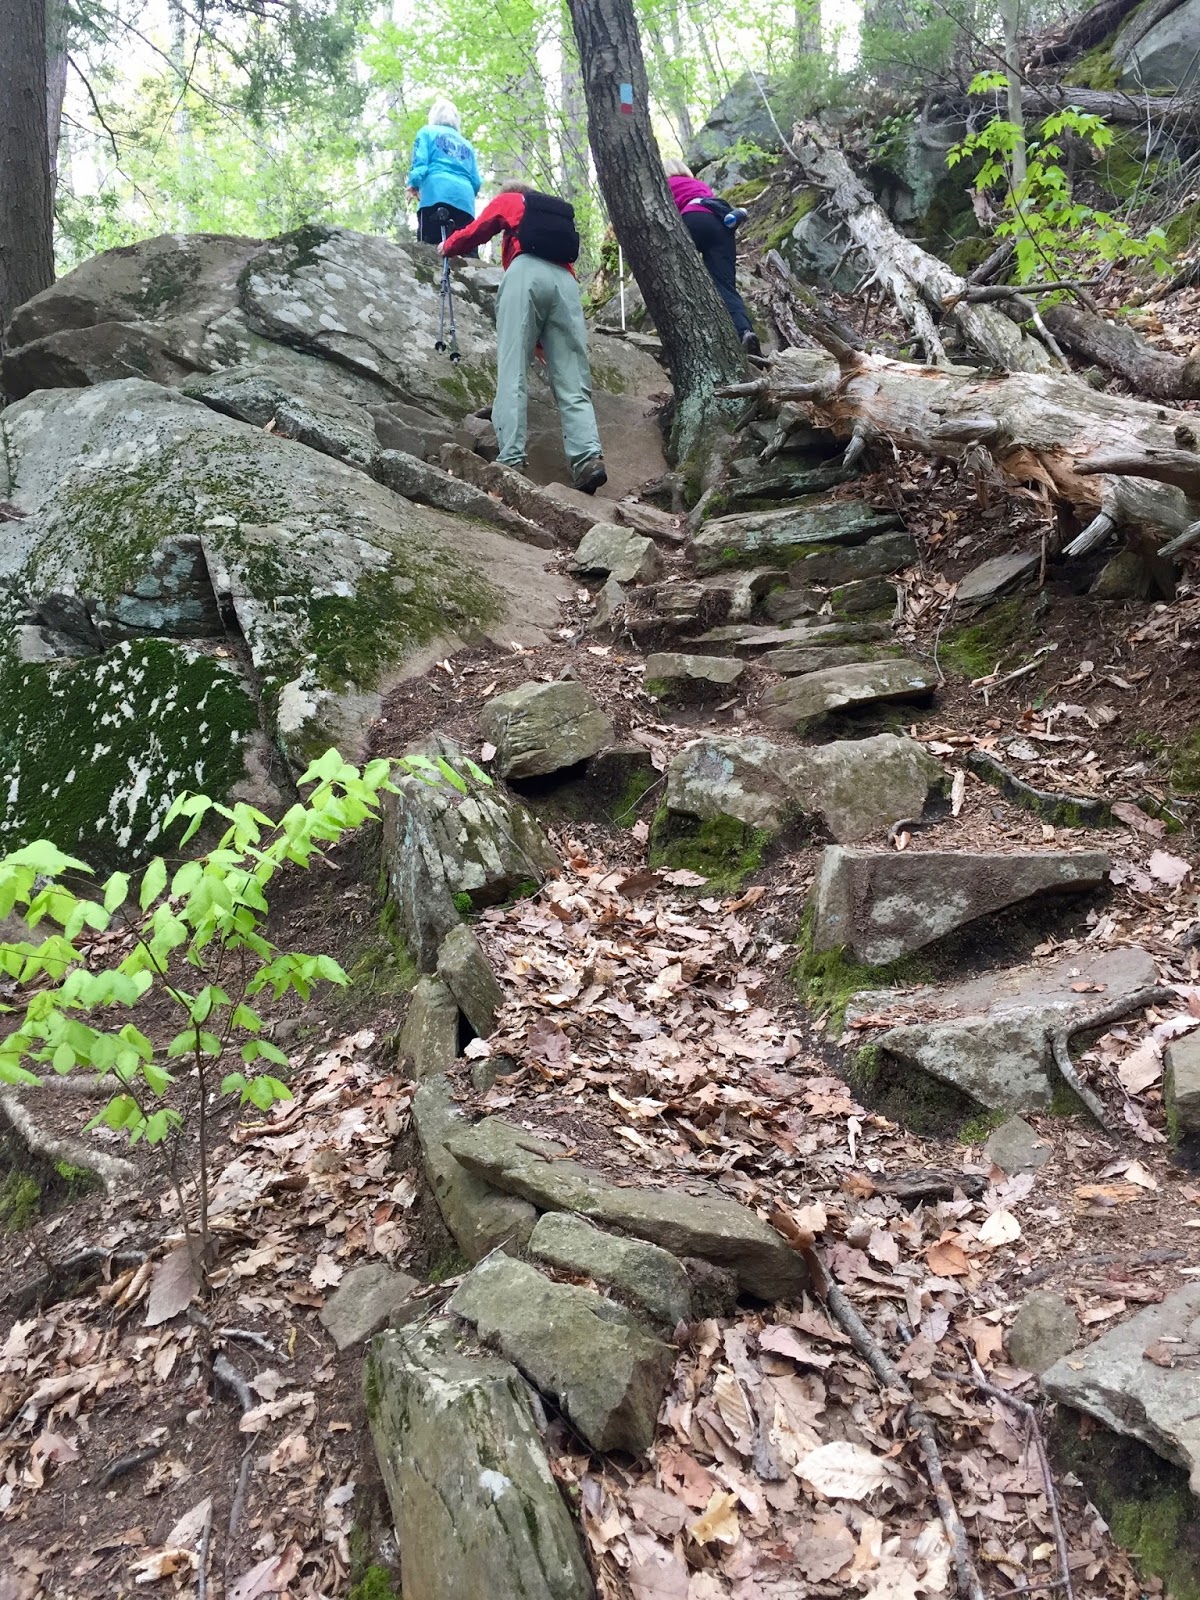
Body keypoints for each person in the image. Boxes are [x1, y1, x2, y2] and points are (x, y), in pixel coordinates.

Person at [439, 184, 607, 494]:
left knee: (512, 368)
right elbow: (551, 311)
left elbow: (478, 228)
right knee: (572, 378)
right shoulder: (556, 218)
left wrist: (448, 246)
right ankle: (587, 460)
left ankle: (511, 459)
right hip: (566, 285)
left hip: (525, 274)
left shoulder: (512, 200)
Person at [663, 157, 761, 356]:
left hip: (692, 218)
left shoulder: (665, 184)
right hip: (720, 223)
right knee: (725, 285)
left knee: (682, 275)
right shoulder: (698, 183)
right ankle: (745, 332)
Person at [406, 98, 482, 248]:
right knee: (464, 252)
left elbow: (420, 163)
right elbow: (476, 181)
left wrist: (413, 184)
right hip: (465, 201)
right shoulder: (467, 145)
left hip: (435, 195)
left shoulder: (427, 132)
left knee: (429, 250)